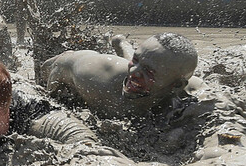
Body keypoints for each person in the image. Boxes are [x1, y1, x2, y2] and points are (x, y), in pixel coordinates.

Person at [42, 33, 204, 120]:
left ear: (176, 86)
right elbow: (60, 64)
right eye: (136, 59)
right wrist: (49, 97)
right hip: (68, 65)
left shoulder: (191, 92)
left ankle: (121, 43)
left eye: (149, 71)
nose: (133, 72)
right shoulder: (95, 79)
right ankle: (122, 44)